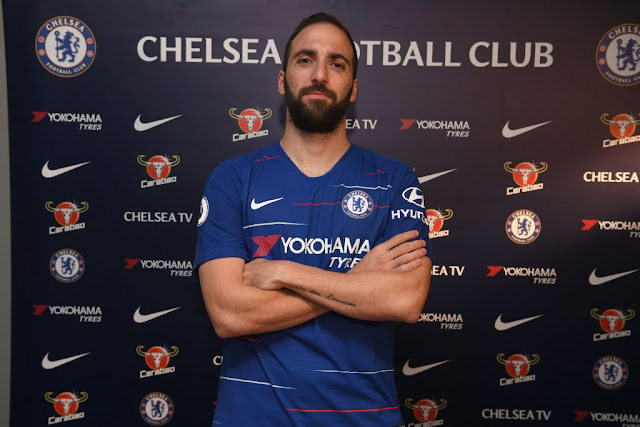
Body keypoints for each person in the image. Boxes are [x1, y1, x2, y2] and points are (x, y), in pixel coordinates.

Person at [195, 12, 432, 426]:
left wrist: (284, 271)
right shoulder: (233, 178)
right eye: (306, 60)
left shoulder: (393, 179)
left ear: (353, 88)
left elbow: (404, 300)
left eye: (337, 64)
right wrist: (360, 283)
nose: (320, 74)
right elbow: (229, 314)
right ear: (282, 79)